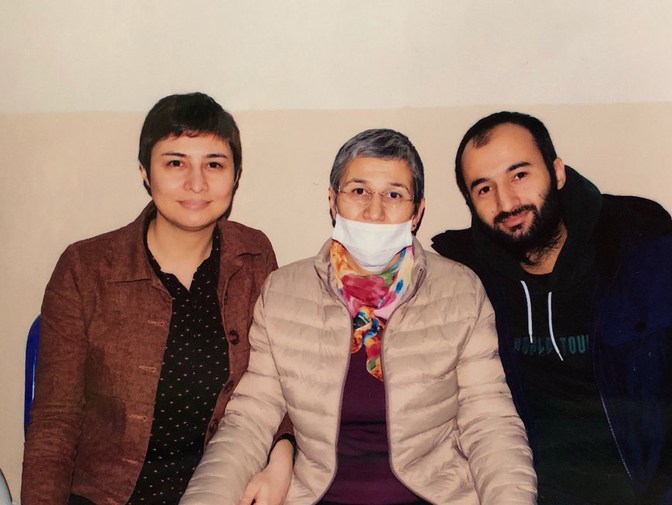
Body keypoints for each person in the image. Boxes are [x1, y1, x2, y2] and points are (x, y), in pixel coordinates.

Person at [180, 128, 536, 505]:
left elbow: (490, 423)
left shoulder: (460, 291)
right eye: (359, 191)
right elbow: (249, 420)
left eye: (394, 195)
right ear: (333, 201)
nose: (374, 211)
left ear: (417, 212)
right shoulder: (283, 292)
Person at [431, 111, 672, 504]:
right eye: (484, 189)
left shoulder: (656, 261)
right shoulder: (468, 287)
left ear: (557, 172)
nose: (506, 201)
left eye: (520, 175)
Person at [22, 92, 293, 505]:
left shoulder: (254, 255)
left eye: (214, 164)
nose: (196, 183)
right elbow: (55, 422)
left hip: (222, 490)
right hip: (106, 495)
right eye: (175, 163)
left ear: (236, 175)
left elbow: (279, 383)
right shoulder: (85, 268)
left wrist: (282, 455)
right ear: (145, 173)